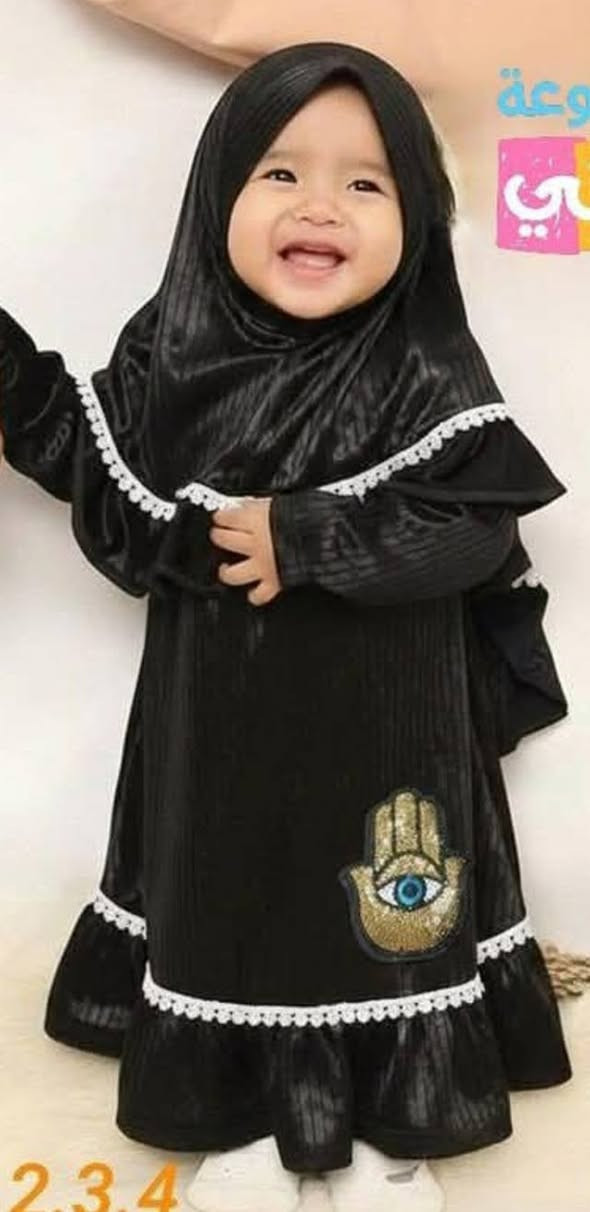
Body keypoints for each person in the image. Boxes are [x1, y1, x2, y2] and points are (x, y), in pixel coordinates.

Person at [0, 39, 572, 1212]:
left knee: (392, 906)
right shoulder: (171, 356)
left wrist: (307, 537)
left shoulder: (422, 367)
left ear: (418, 219)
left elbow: (472, 529)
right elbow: (105, 480)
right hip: (222, 736)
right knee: (231, 903)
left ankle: (394, 1122)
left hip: (387, 737)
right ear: (216, 197)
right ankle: (245, 1116)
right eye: (279, 173)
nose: (320, 206)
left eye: (365, 182)